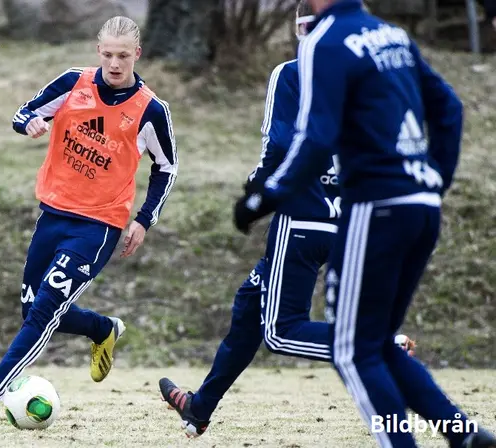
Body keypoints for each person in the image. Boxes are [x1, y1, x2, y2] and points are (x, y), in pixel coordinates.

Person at [235, 1, 496, 447]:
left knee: (350, 349)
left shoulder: (324, 39)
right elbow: (449, 109)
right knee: (373, 344)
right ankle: (463, 432)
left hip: (376, 208)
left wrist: (264, 196)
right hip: (421, 207)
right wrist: (436, 179)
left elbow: (314, 139)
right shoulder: (391, 34)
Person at [157, 1, 414, 439]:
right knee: (249, 305)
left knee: (281, 331)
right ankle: (200, 409)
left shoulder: (292, 72)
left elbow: (277, 147)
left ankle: (379, 346)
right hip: (353, 223)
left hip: (302, 220)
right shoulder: (365, 76)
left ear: (299, 29)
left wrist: (258, 189)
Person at [0, 15, 178, 417]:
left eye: (123, 56)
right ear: (98, 52)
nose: (115, 64)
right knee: (33, 310)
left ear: (137, 55)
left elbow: (166, 167)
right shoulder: (73, 82)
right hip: (53, 213)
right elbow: (21, 113)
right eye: (108, 54)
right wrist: (31, 124)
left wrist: (144, 219)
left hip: (99, 226)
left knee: (45, 309)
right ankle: (102, 329)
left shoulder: (151, 110)